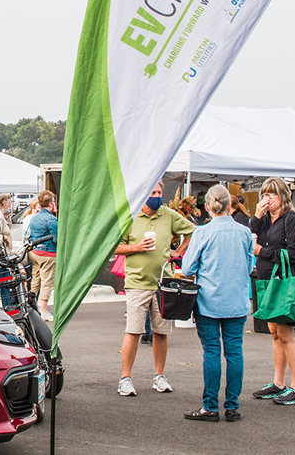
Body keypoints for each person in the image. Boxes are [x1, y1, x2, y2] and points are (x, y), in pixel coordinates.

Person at [114, 180, 195, 397]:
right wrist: (136, 247)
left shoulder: (168, 215)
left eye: (160, 192)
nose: (157, 195)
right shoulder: (129, 216)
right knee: (134, 330)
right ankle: (125, 377)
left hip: (163, 283)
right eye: (153, 192)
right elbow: (114, 245)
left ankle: (159, 375)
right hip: (137, 283)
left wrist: (178, 252)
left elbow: (192, 231)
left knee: (161, 331)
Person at [181, 185, 255, 422]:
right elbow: (249, 266)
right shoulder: (244, 232)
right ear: (229, 205)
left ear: (207, 206)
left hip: (209, 301)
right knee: (234, 352)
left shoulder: (202, 232)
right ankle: (232, 405)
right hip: (236, 300)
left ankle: (210, 406)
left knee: (211, 352)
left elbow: (187, 268)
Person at [249, 177, 295, 405]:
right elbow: (249, 237)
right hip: (265, 279)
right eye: (264, 195)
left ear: (283, 196)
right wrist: (256, 215)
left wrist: (262, 251)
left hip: (284, 281)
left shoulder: (291, 220)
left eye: (271, 195)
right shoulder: (264, 220)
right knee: (273, 332)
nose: (267, 199)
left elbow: (294, 255)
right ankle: (278, 383)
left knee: (286, 333)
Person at [27, 190, 59, 322]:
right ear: (51, 204)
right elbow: (58, 238)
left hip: (34, 253)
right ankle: (44, 310)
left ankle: (30, 307)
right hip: (48, 253)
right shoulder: (51, 219)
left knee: (36, 279)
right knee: (47, 281)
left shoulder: (34, 218)